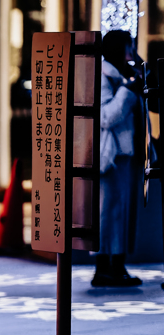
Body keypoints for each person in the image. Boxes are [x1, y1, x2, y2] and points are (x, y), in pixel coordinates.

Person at [94, 30, 144, 287]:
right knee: (109, 212)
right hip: (110, 155)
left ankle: (115, 266)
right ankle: (106, 267)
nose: (132, 52)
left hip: (122, 154)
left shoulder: (123, 75)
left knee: (118, 212)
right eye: (128, 47)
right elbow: (105, 117)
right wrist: (126, 91)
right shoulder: (104, 77)